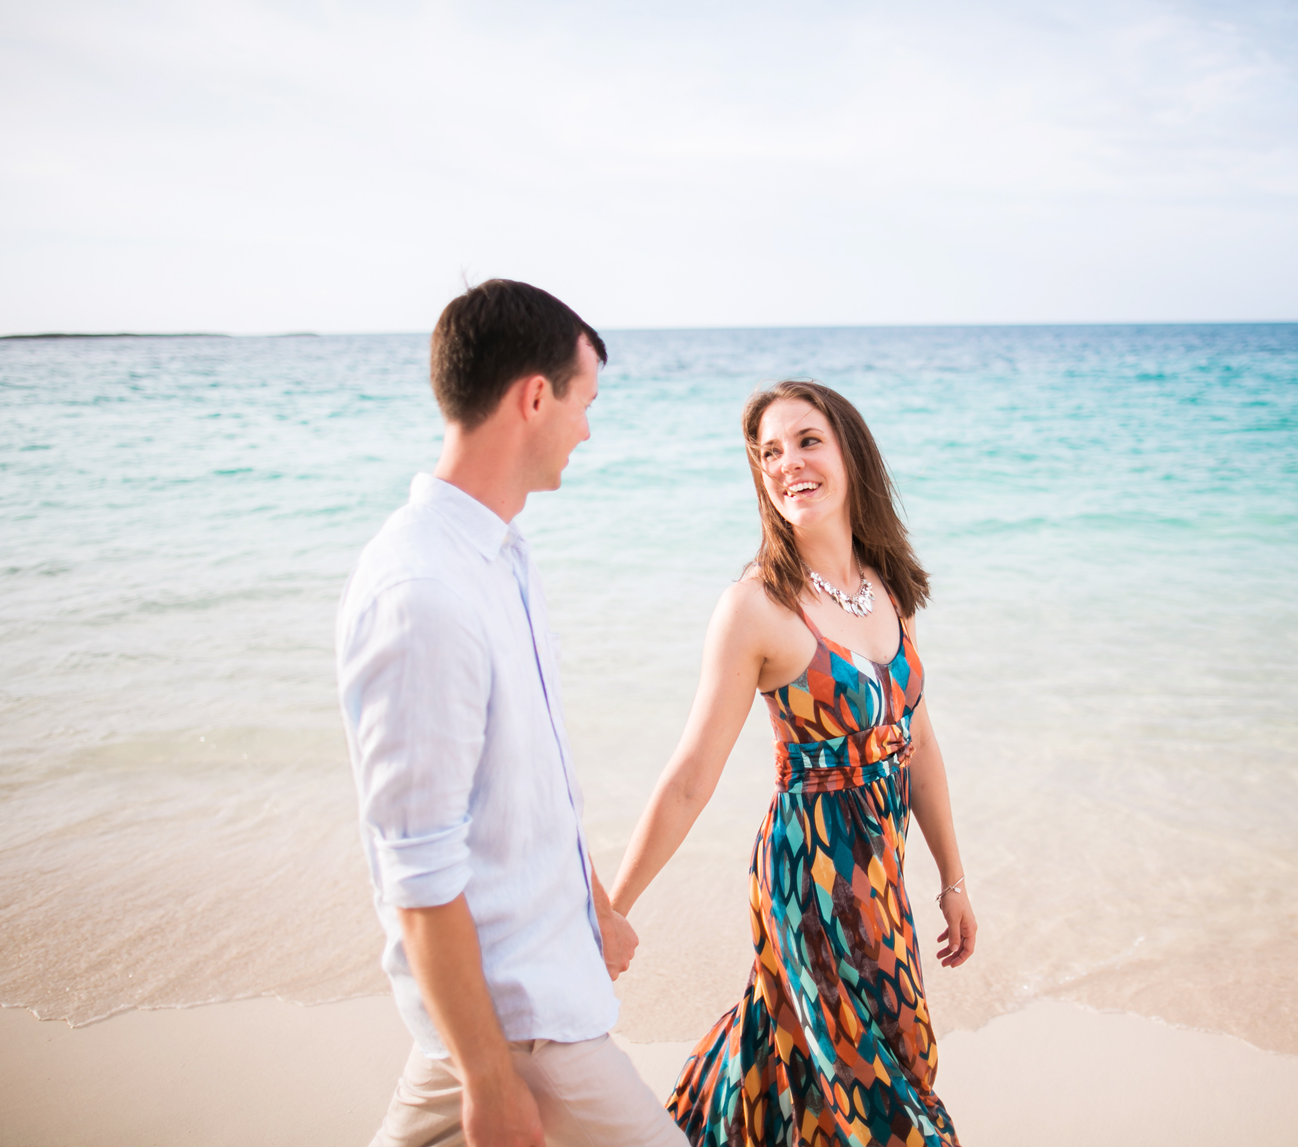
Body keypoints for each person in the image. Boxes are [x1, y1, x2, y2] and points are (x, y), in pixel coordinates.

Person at [336, 279, 687, 1147]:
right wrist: (489, 1075)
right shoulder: (423, 590)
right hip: (521, 1025)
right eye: (583, 402)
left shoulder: (500, 555)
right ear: (535, 397)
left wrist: (592, 902)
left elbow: (522, 786)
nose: (588, 429)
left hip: (522, 988)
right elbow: (414, 868)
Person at [609, 380, 979, 1146]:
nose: (788, 464)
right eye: (769, 452)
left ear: (850, 452)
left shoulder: (886, 587)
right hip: (807, 879)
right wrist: (611, 909)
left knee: (833, 1058)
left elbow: (921, 745)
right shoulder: (755, 606)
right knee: (872, 1090)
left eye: (807, 441)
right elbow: (688, 778)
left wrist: (952, 879)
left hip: (882, 878)